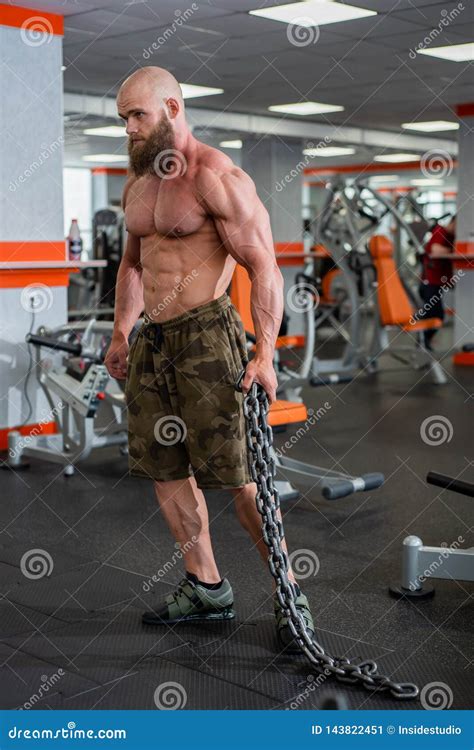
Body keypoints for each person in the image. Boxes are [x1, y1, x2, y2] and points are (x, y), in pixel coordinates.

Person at [104, 66, 314, 651]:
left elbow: (264, 266)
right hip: (154, 341)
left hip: (208, 339)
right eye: (123, 119)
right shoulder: (139, 187)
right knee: (165, 470)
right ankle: (206, 586)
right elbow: (132, 267)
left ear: (172, 107)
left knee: (239, 477)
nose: (129, 129)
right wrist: (123, 332)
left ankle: (288, 592)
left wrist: (266, 353)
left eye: (137, 116)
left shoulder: (217, 177)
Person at [418, 215, 455, 350]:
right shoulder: (441, 231)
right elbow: (435, 250)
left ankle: (423, 342)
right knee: (436, 314)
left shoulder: (451, 237)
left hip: (437, 283)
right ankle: (423, 342)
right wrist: (455, 249)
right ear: (452, 222)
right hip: (430, 283)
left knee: (432, 314)